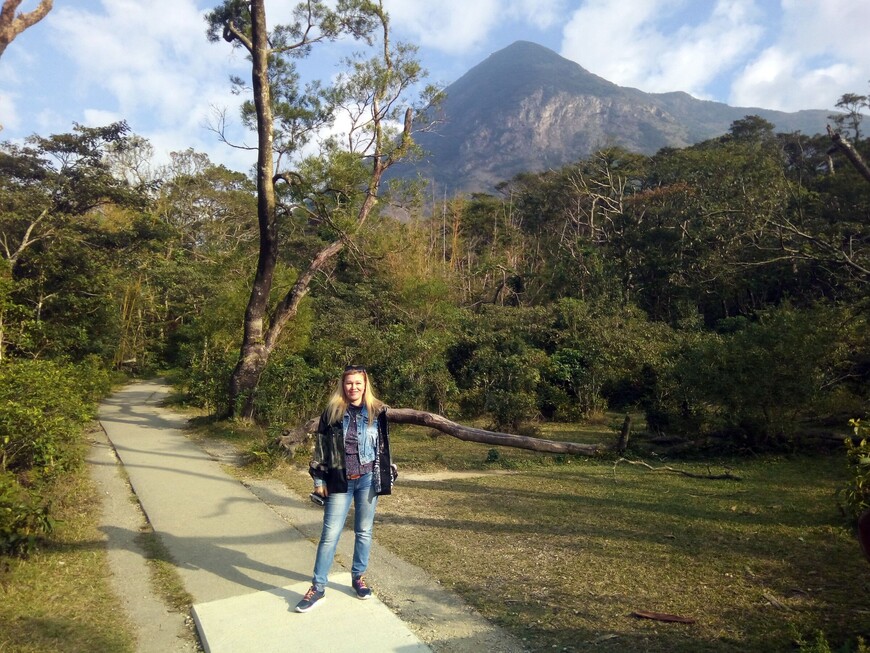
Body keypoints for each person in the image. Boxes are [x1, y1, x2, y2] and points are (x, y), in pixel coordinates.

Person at [295, 365, 397, 613]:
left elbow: (383, 446)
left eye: (358, 383)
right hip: (339, 479)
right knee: (329, 535)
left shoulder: (377, 411)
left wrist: (387, 472)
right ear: (343, 386)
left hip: (367, 480)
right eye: (349, 383)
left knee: (364, 530)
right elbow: (321, 448)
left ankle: (358, 577)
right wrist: (319, 481)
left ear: (365, 385)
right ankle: (318, 587)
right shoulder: (332, 412)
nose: (353, 387)